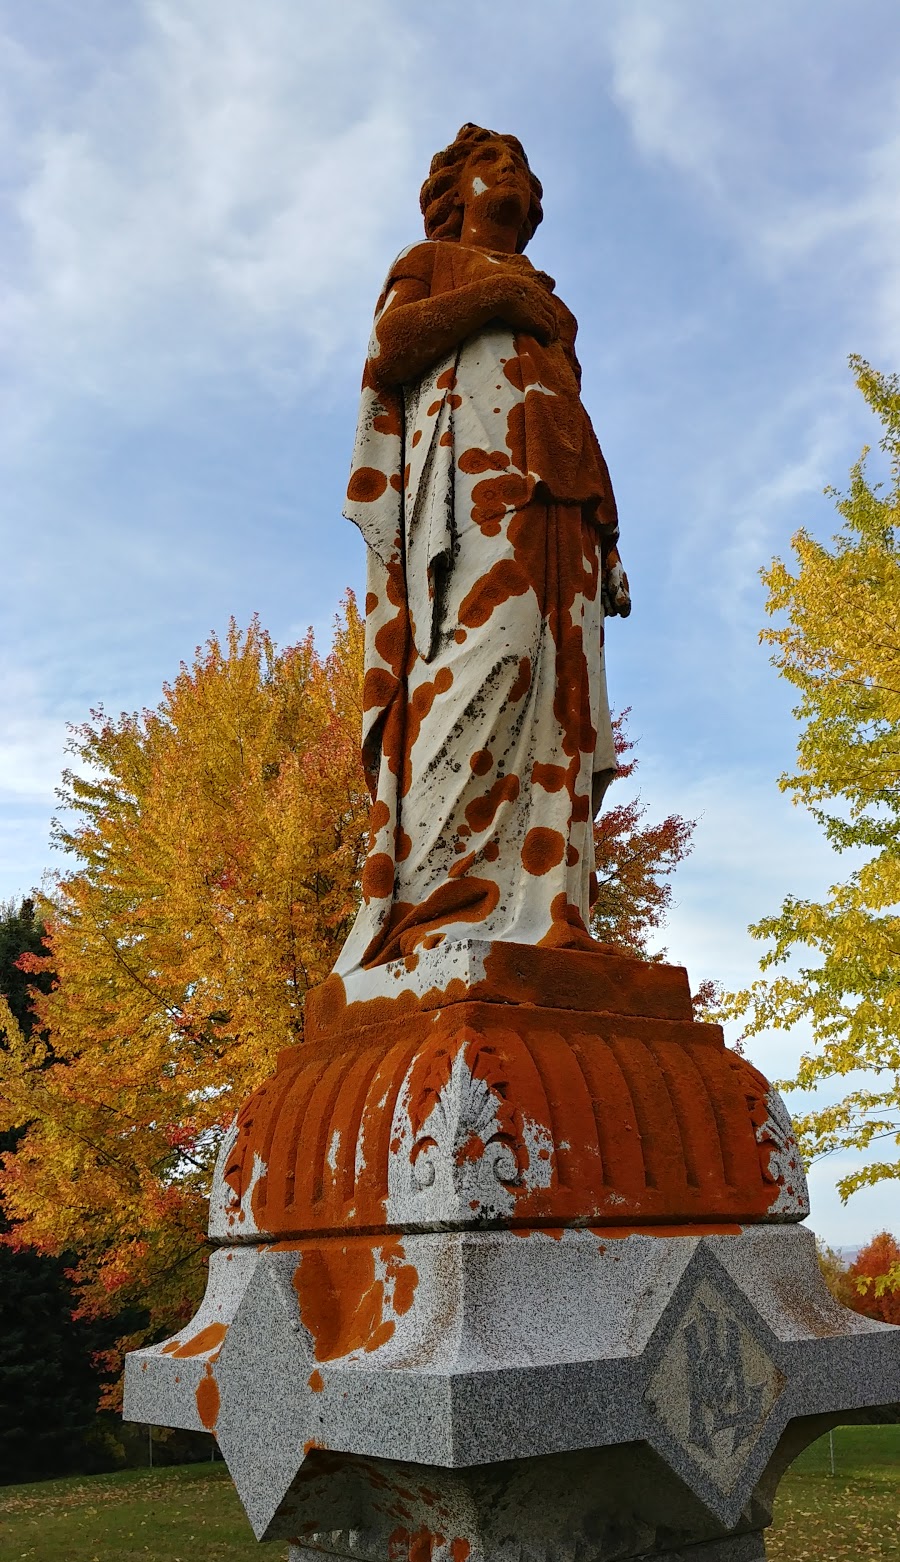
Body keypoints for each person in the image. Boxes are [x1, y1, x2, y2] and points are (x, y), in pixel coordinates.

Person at [335, 123, 630, 976]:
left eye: (521, 167)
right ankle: (437, 901)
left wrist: (606, 532)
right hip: (469, 493)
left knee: (562, 694)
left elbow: (573, 411)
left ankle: (544, 907)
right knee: (482, 658)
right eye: (490, 163)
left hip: (562, 505)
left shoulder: (554, 305)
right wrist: (494, 303)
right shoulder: (431, 264)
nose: (509, 176)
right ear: (453, 192)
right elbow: (390, 350)